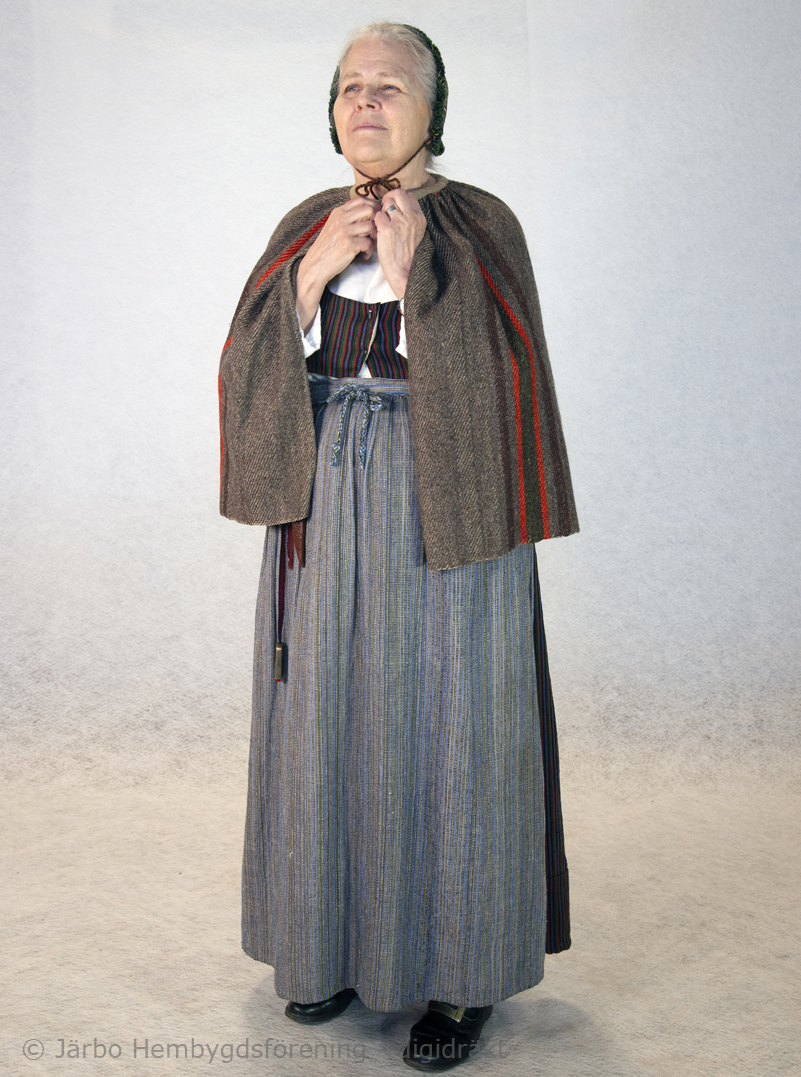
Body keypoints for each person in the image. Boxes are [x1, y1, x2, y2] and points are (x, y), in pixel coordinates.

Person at [218, 22, 579, 1072]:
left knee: (458, 722)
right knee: (323, 715)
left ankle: (462, 978)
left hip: (451, 500)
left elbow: (511, 376)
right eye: (349, 88)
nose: (366, 102)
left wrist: (419, 275)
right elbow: (245, 365)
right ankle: (326, 946)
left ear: (434, 111)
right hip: (324, 495)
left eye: (389, 86)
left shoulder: (482, 223)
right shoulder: (304, 223)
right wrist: (309, 277)